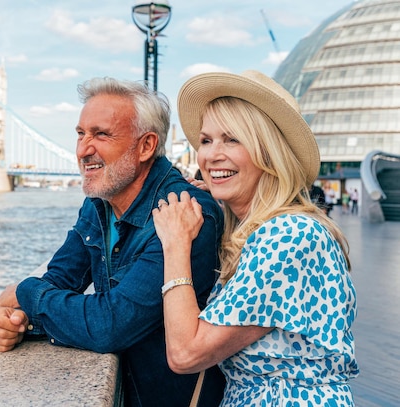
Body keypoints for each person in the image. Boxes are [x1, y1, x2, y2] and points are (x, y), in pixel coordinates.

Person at [0, 77, 226, 406]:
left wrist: (25, 293)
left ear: (146, 146)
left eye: (101, 134)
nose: (84, 149)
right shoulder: (100, 201)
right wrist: (18, 320)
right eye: (80, 134)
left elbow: (110, 325)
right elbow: (60, 279)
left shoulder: (186, 213)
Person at [153, 70, 359, 405]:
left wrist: (175, 242)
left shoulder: (289, 235)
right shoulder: (257, 232)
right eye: (206, 140)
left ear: (270, 152)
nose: (211, 155)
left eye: (232, 139)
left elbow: (186, 354)